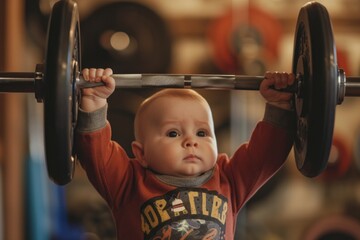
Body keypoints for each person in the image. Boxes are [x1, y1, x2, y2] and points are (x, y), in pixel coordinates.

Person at [75, 68, 295, 239]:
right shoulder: (127, 181)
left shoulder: (229, 179)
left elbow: (265, 156)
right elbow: (95, 154)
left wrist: (279, 104)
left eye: (202, 132)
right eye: (173, 133)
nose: (191, 141)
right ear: (141, 153)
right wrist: (94, 101)